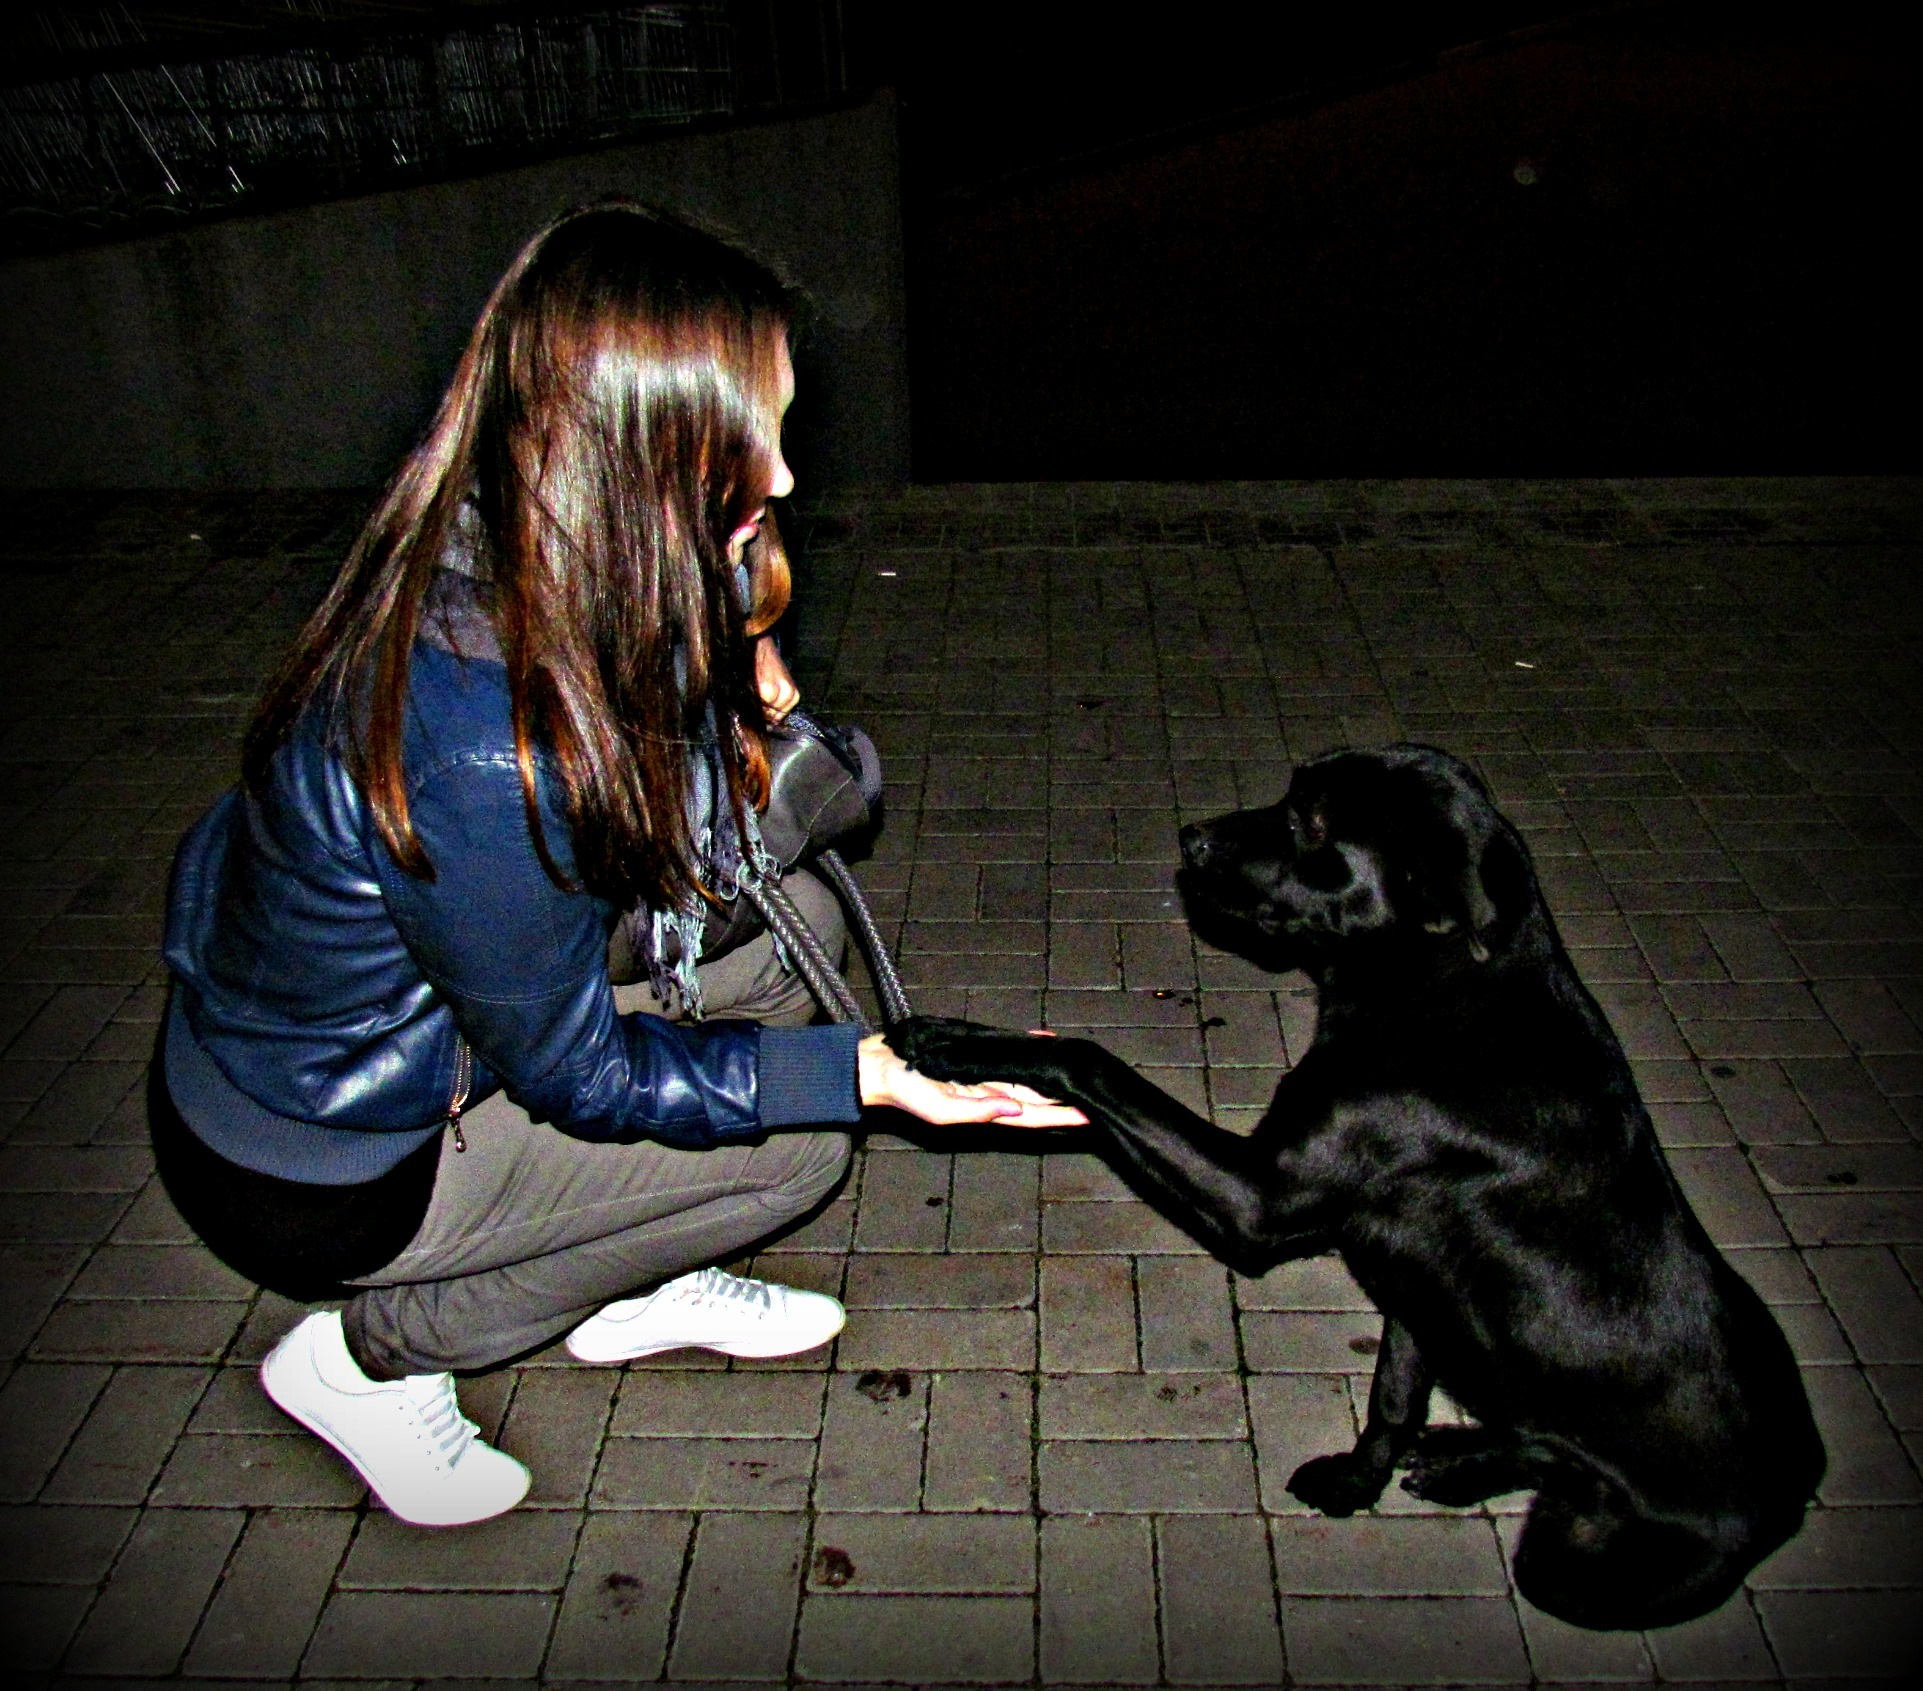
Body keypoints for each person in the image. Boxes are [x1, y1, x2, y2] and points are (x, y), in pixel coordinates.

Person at [155, 201, 1079, 1528]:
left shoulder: (529, 527)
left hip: (409, 1010)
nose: (787, 476)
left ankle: (631, 1262)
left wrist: (749, 635)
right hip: (330, 1151)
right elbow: (579, 1077)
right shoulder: (489, 736)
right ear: (644, 450)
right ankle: (365, 1364)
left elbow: (693, 783)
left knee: (794, 927)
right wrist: (869, 1076)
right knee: (798, 1150)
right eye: (754, 437)